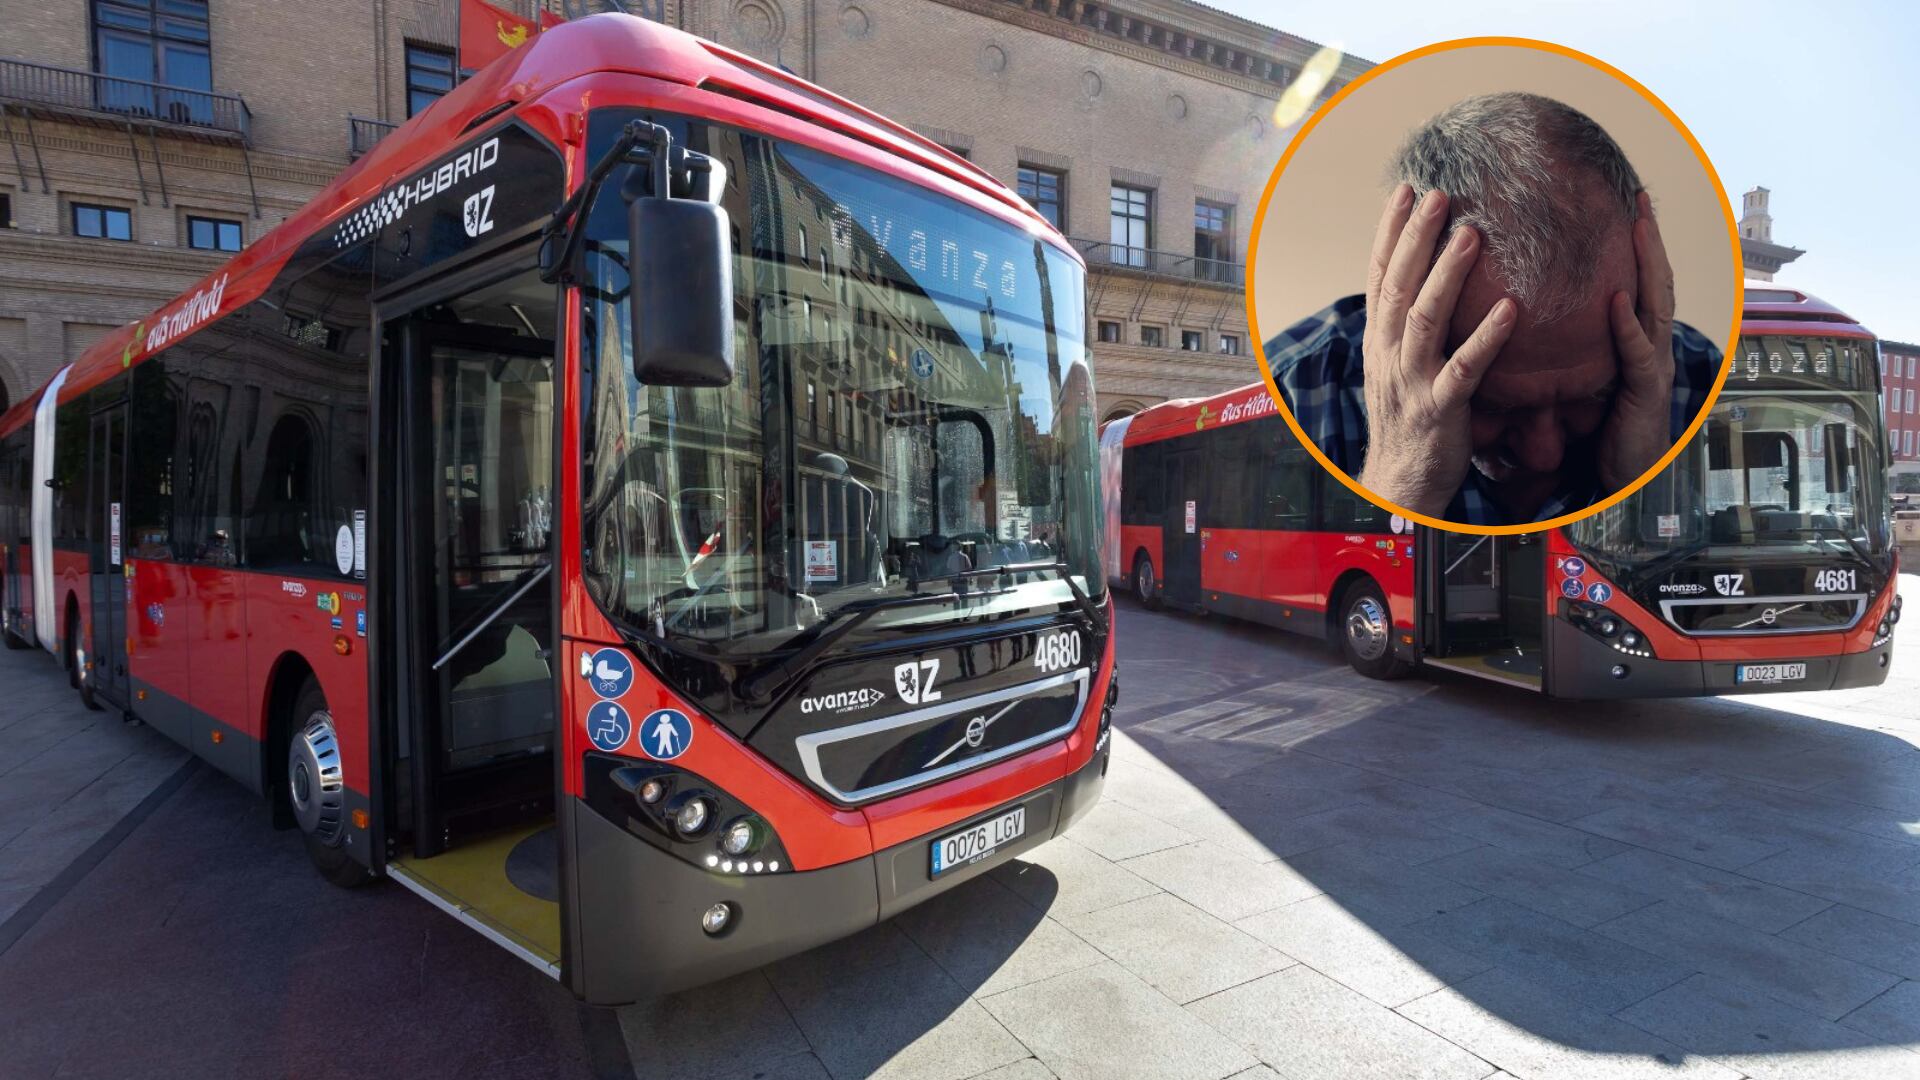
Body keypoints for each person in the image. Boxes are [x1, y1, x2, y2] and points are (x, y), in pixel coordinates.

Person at [1264, 92, 1722, 525]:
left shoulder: (1704, 380)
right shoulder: (1291, 392)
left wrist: (1649, 487)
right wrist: (1400, 483)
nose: (1545, 454)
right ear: (1405, 296)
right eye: (1493, 406)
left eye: (1591, 399)